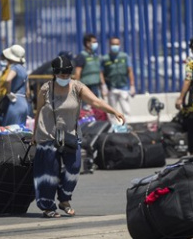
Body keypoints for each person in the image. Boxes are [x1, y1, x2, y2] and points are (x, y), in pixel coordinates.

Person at [33, 55, 125, 218]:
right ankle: (47, 206)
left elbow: (96, 102)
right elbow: (39, 110)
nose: (64, 78)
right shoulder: (45, 89)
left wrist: (114, 111)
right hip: (47, 134)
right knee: (49, 172)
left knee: (74, 167)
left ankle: (64, 199)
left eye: (67, 75)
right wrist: (34, 135)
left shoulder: (77, 87)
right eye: (61, 75)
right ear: (54, 74)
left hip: (69, 134)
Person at [101, 37, 136, 122]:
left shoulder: (124, 56)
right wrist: (103, 85)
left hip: (123, 87)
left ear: (119, 45)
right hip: (112, 88)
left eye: (117, 44)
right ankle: (113, 128)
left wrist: (132, 85)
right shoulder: (105, 58)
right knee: (112, 110)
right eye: (113, 44)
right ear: (110, 45)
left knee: (126, 109)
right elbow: (101, 72)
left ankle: (126, 127)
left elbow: (130, 70)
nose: (115, 46)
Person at [1, 45, 30, 126]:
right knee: (21, 131)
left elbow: (8, 80)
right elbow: (28, 91)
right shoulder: (24, 69)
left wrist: (9, 93)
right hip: (23, 103)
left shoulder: (15, 68)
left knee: (10, 131)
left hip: (15, 103)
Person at [74, 33, 104, 97]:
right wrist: (78, 86)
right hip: (86, 86)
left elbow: (99, 71)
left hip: (96, 86)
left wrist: (103, 85)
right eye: (94, 42)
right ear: (87, 43)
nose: (96, 44)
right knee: (86, 106)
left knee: (95, 106)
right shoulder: (82, 56)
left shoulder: (95, 56)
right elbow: (77, 72)